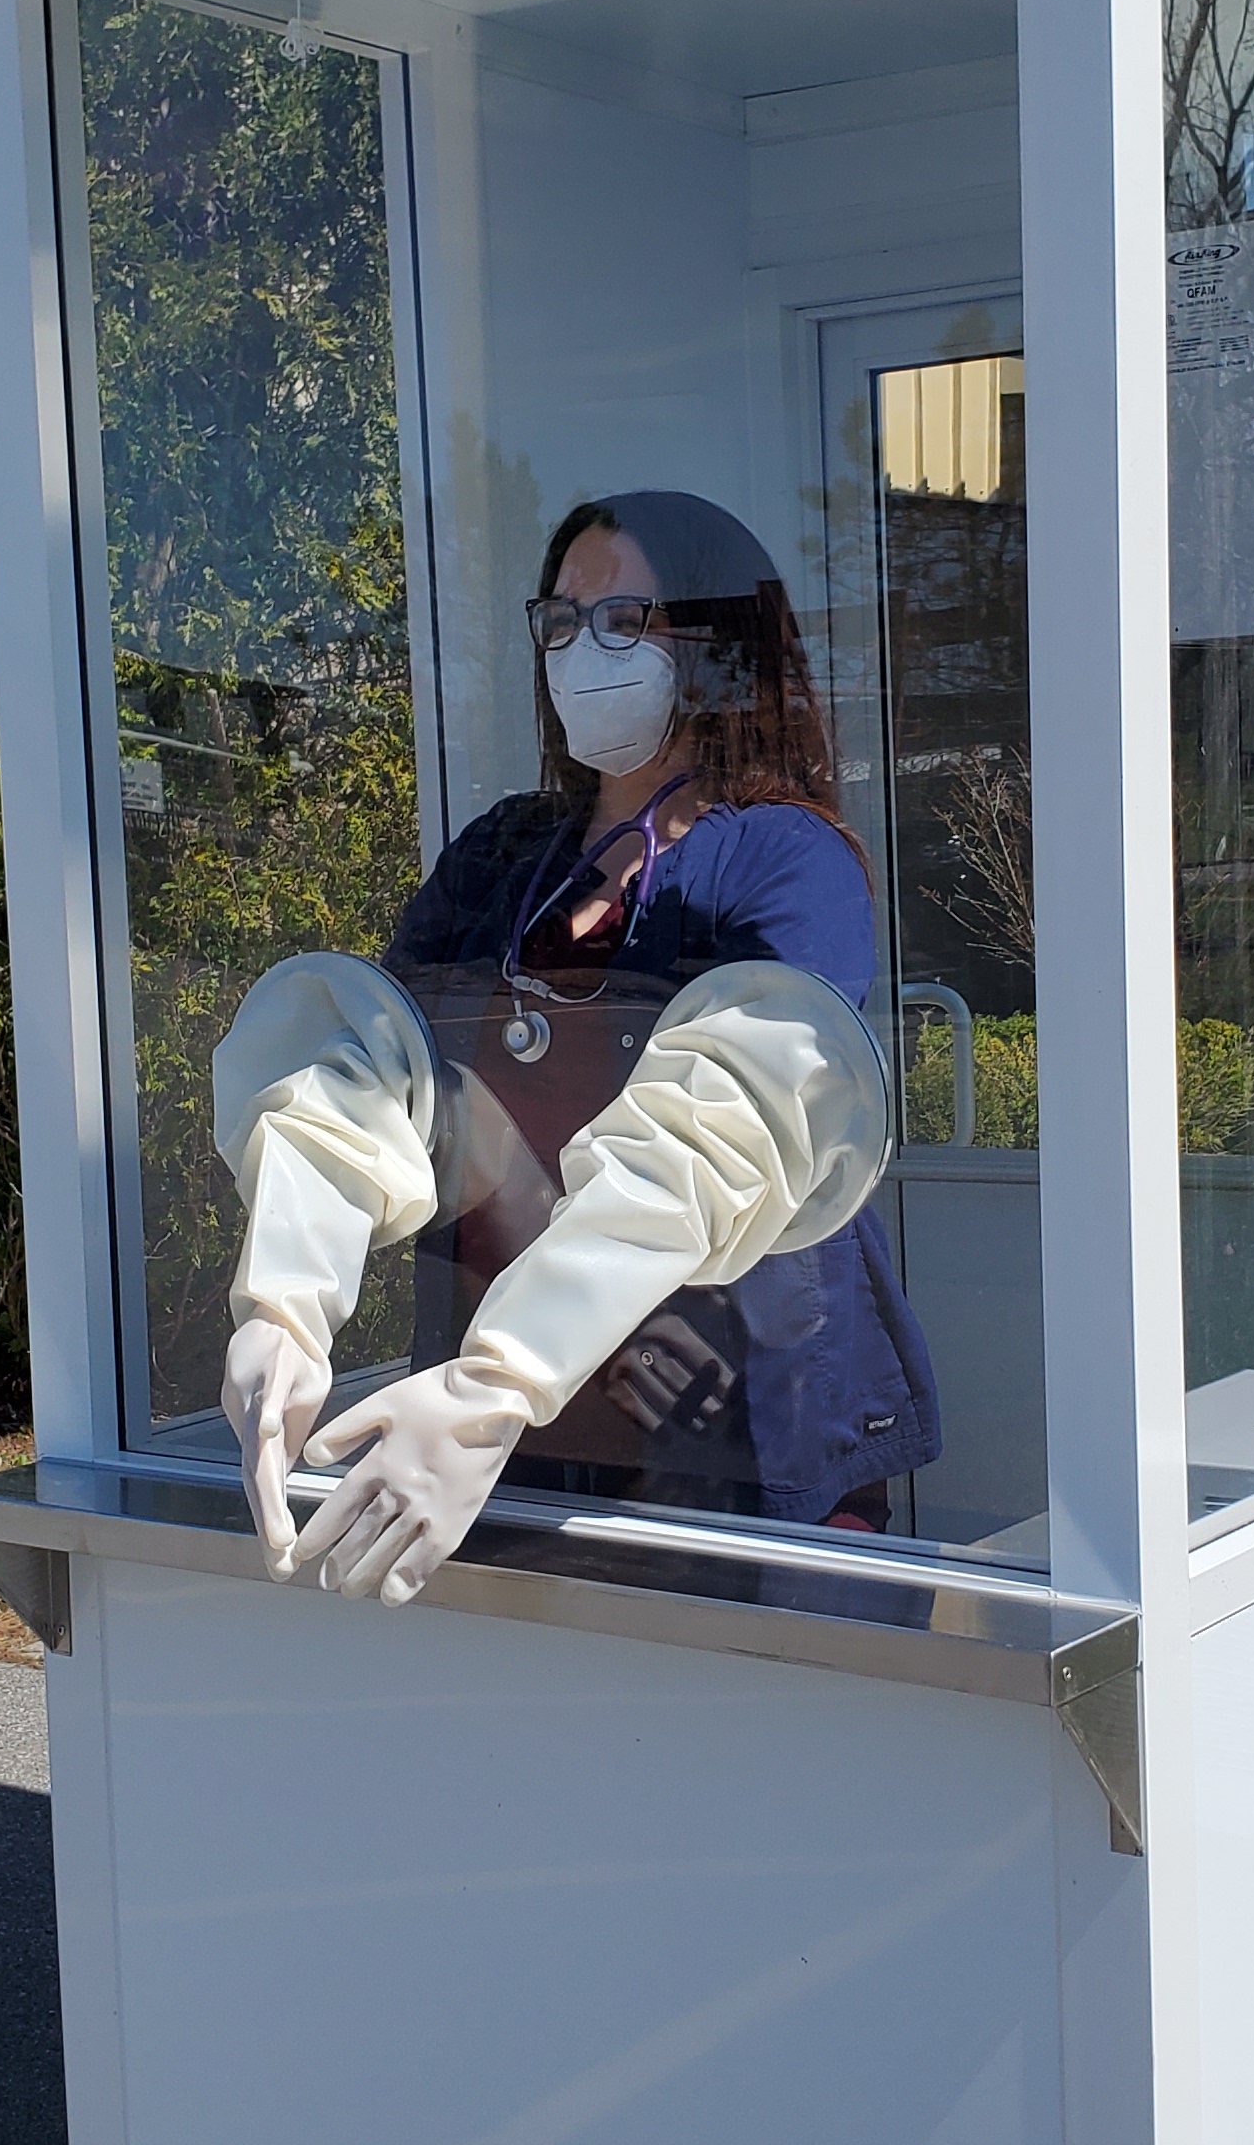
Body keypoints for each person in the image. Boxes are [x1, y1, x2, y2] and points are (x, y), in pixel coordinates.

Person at [215, 490, 940, 1599]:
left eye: (623, 622)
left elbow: (731, 1127)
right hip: (517, 1442)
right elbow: (378, 1073)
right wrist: (287, 1296)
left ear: (715, 649)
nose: (581, 653)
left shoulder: (790, 863)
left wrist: (500, 1379)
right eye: (560, 623)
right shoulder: (507, 851)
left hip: (737, 1419)